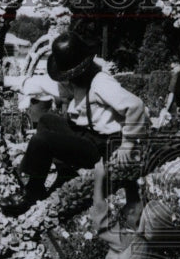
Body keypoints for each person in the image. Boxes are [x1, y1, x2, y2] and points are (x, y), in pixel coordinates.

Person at [13, 33, 148, 214]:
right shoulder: (77, 83)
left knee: (42, 141)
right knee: (47, 120)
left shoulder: (100, 82)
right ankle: (64, 174)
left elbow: (136, 105)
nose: (68, 78)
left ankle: (32, 193)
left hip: (102, 146)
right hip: (85, 135)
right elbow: (41, 84)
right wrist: (8, 82)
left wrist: (128, 143)